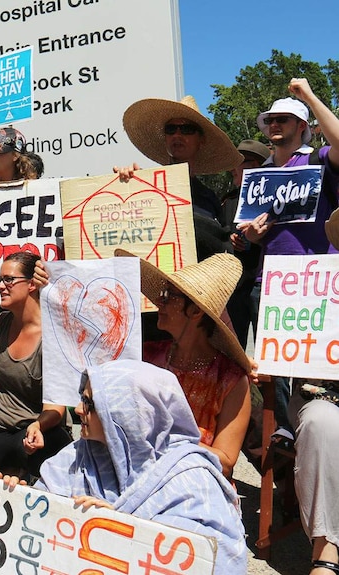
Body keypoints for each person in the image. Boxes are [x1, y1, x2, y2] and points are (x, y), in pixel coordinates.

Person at [4, 360, 247, 574]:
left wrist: (121, 529)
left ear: (126, 414)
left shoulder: (192, 478)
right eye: (81, 398)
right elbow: (38, 523)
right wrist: (20, 500)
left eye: (89, 403)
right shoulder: (77, 456)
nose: (78, 410)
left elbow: (217, 559)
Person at [238, 78, 339, 445]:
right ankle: (284, 426)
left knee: (315, 361)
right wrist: (252, 236)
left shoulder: (318, 159)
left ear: (303, 127)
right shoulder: (261, 174)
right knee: (275, 363)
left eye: (284, 118)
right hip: (271, 279)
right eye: (271, 120)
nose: (275, 124)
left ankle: (315, 427)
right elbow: (251, 231)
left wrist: (309, 97)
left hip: (318, 279)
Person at [116, 249, 251, 478]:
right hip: (137, 475)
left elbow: (226, 461)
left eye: (169, 296)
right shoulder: (146, 357)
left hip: (197, 486)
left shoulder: (231, 380)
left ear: (196, 311)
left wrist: (167, 440)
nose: (159, 301)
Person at [0, 252, 71, 478]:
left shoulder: (54, 334)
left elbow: (55, 409)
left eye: (9, 279)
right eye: (0, 280)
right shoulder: (0, 324)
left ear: (31, 284)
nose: (1, 286)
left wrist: (37, 426)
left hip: (37, 431)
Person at [118, 95, 243, 260]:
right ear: (165, 138)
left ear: (201, 140)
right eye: (171, 129)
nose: (177, 135)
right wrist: (124, 186)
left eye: (186, 129)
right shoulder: (144, 187)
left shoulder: (210, 198)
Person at [286, 211, 339, 575]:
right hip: (323, 397)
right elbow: (288, 343)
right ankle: (326, 550)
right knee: (321, 423)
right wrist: (272, 360)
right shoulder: (317, 284)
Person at [224, 139, 271, 348]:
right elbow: (220, 231)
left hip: (267, 283)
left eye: (238, 164)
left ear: (254, 166)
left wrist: (258, 239)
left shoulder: (274, 198)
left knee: (269, 348)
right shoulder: (228, 200)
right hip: (235, 287)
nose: (232, 170)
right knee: (235, 347)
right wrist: (229, 239)